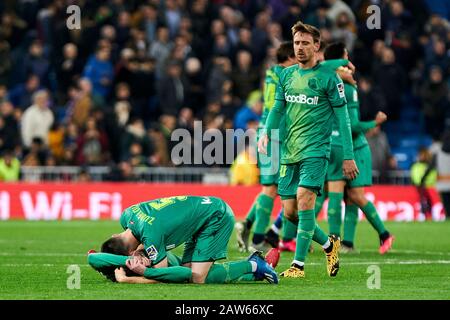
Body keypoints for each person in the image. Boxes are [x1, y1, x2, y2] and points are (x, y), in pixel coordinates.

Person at [258, 22, 358, 278]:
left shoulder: (329, 78)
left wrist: (348, 155)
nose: (300, 47)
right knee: (290, 212)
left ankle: (298, 265)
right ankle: (328, 244)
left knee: (305, 201)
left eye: (305, 43)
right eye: (296, 43)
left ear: (316, 45)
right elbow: (277, 109)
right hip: (290, 151)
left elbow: (344, 119)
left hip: (316, 151)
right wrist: (267, 134)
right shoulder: (287, 75)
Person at [100, 195, 278, 284]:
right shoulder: (127, 215)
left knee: (197, 277)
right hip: (200, 214)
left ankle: (254, 265)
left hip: (215, 217)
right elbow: (144, 231)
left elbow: (161, 275)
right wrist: (140, 250)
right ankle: (256, 274)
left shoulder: (151, 236)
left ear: (129, 253)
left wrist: (130, 278)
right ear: (115, 236)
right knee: (186, 273)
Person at [322, 42, 395, 254]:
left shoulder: (346, 87)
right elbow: (324, 65)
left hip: (354, 147)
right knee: (343, 195)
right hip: (339, 145)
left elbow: (352, 126)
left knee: (352, 196)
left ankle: (348, 242)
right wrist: (345, 63)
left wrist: (374, 123)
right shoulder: (333, 80)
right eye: (345, 58)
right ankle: (346, 242)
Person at [235, 41, 297, 253]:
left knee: (270, 189)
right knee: (273, 190)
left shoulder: (271, 74)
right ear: (289, 58)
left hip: (267, 132)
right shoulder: (286, 75)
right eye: (296, 56)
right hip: (276, 135)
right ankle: (259, 238)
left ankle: (249, 225)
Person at [88, 249, 279, 285]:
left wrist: (137, 256)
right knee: (202, 276)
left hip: (172, 262)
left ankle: (254, 265)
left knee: (201, 277)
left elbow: (93, 258)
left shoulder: (122, 261)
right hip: (173, 266)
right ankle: (255, 269)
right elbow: (180, 274)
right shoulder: (119, 274)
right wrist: (133, 277)